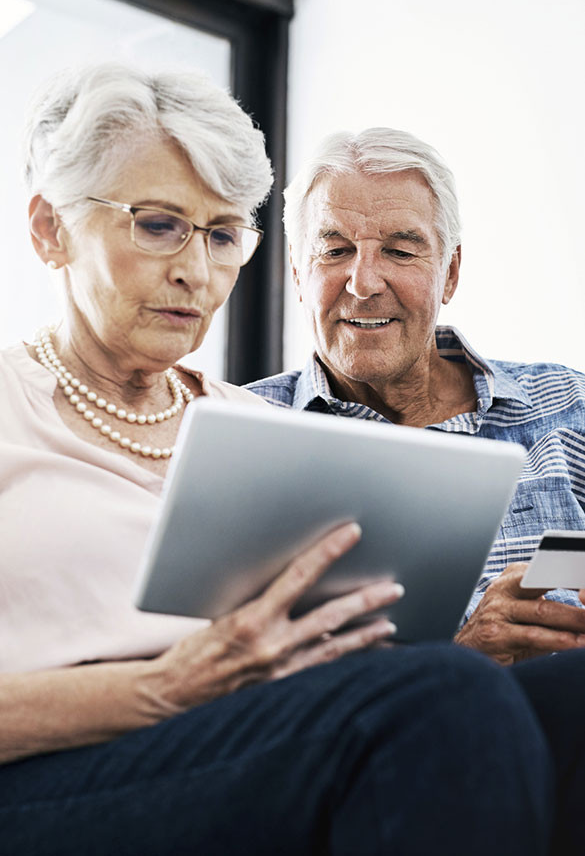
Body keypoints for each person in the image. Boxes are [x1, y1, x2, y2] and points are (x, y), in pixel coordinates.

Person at [0, 64, 578, 856]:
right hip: (52, 772)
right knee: (444, 694)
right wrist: (162, 687)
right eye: (158, 224)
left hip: (243, 752)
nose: (195, 272)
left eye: (222, 234)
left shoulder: (252, 428)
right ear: (49, 229)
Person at [245, 126, 585, 667]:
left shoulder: (568, 404)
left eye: (400, 251)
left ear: (449, 274)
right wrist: (463, 660)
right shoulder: (244, 431)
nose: (363, 282)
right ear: (297, 273)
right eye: (335, 251)